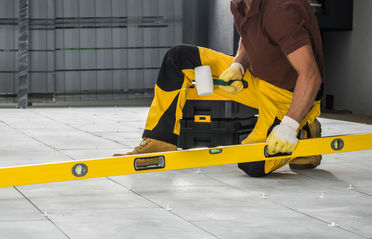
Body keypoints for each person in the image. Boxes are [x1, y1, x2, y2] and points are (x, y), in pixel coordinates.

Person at [115, 0, 324, 177]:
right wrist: (238, 65)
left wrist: (288, 127)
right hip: (256, 79)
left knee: (252, 163)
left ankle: (303, 130)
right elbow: (249, 35)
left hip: (288, 93)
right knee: (178, 58)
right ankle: (158, 142)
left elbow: (310, 75)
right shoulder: (239, 3)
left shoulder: (281, 9)